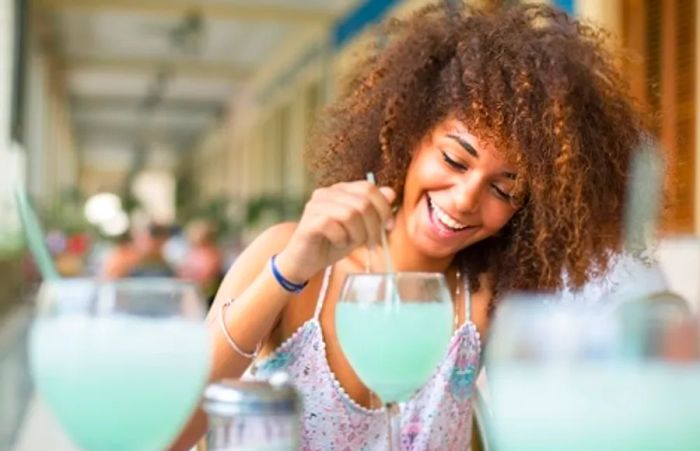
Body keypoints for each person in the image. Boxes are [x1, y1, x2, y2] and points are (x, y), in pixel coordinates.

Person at [172, 2, 663, 449]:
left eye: (504, 189)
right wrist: (289, 269)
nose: (466, 198)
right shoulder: (288, 260)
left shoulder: (487, 299)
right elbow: (170, 436)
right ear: (409, 136)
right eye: (454, 159)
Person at [177, 219, 224, 304]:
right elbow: (182, 272)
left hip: (207, 295)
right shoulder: (192, 252)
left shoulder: (212, 254)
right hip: (191, 292)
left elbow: (209, 273)